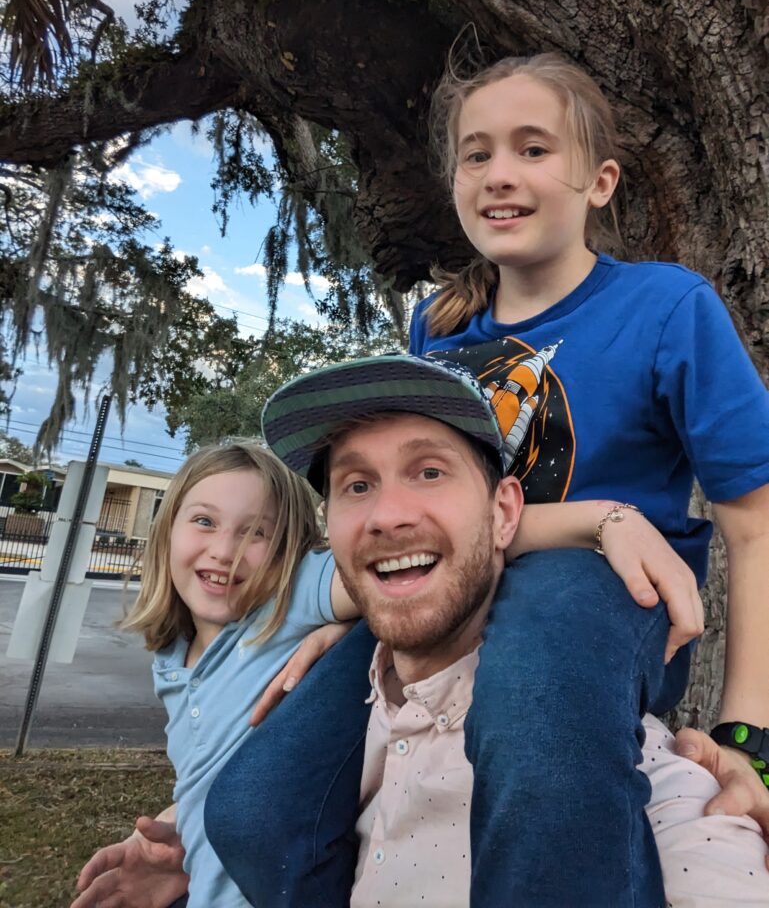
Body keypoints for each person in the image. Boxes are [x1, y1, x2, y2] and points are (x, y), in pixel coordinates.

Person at [212, 52, 769, 906]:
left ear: (600, 181)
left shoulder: (666, 306)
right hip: (460, 593)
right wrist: (378, 614)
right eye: (476, 154)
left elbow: (755, 526)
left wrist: (748, 738)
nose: (499, 175)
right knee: (255, 810)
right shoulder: (439, 326)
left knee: (535, 729)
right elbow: (435, 507)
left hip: (595, 603)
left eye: (533, 149)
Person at [205, 354, 769, 907]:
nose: (387, 515)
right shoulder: (318, 745)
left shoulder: (621, 774)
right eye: (356, 485)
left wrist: (747, 742)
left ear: (505, 514)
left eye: (429, 472)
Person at [71, 441, 358, 908]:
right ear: (167, 529)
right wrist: (177, 824)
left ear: (291, 552)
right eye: (204, 521)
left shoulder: (293, 598)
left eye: (258, 532)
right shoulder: (170, 659)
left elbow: (393, 571)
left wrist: (350, 624)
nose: (225, 550)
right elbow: (211, 768)